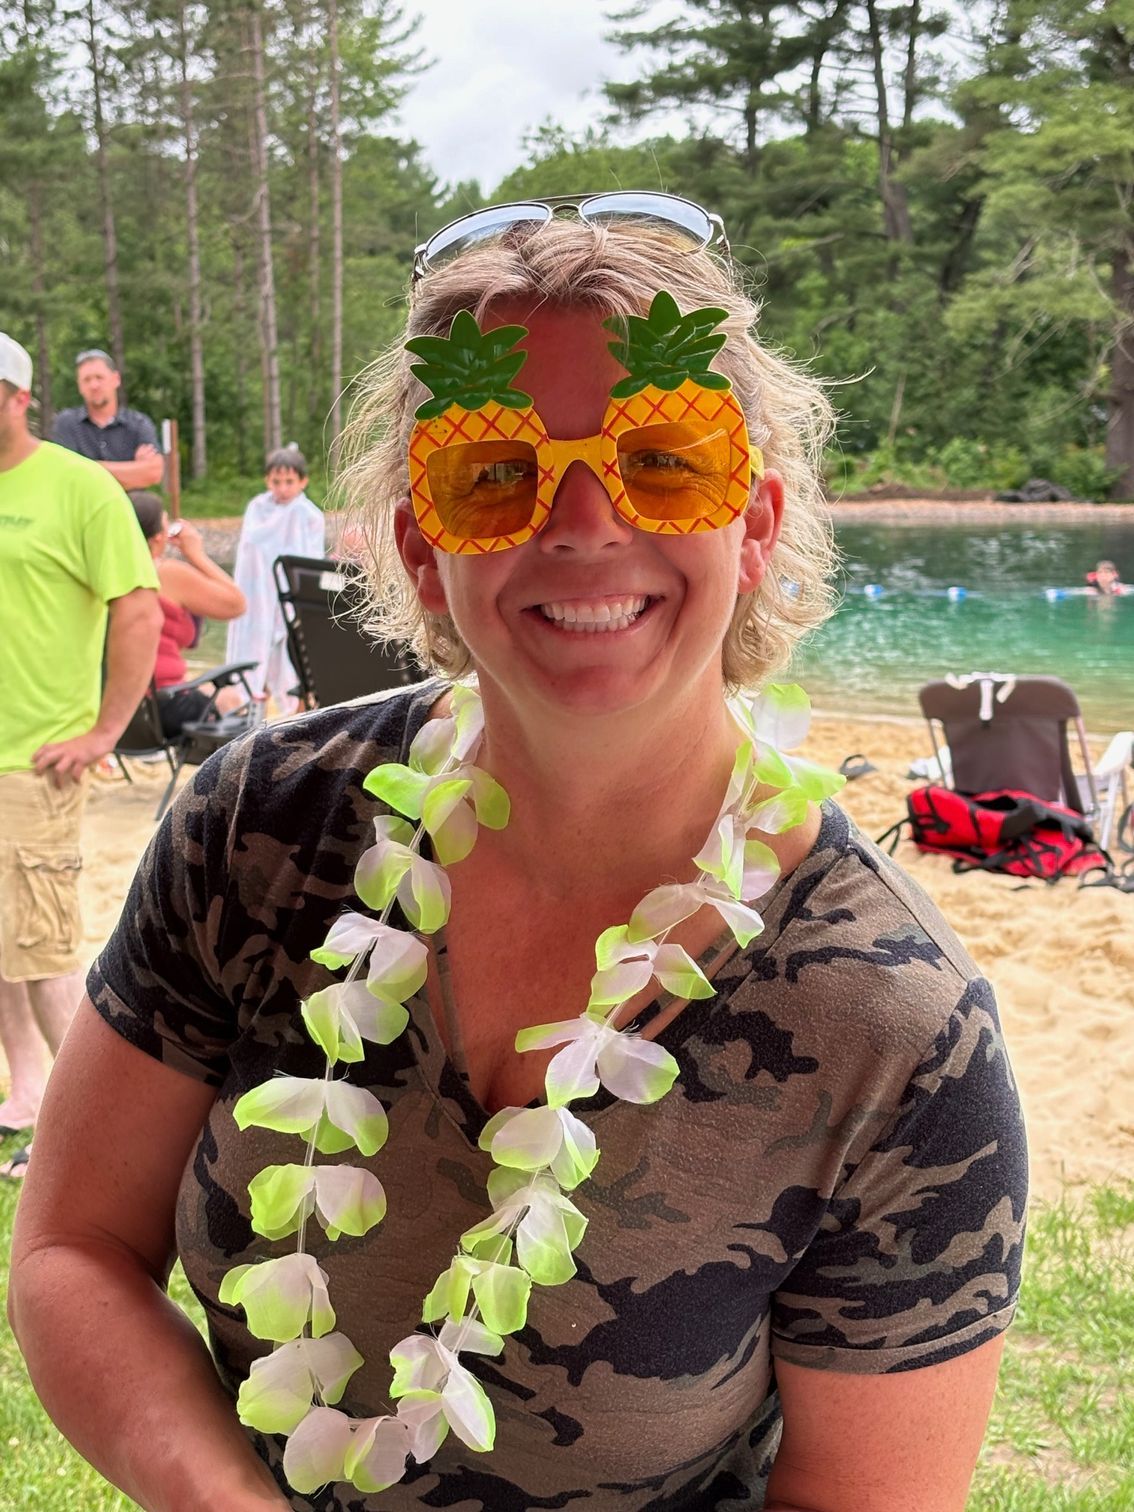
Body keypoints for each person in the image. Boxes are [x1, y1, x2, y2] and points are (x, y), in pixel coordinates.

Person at [8, 202, 1026, 1510]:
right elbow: (76, 1248)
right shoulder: (257, 829)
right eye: (495, 471)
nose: (584, 521)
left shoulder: (890, 1021)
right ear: (425, 553)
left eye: (663, 461)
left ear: (755, 526)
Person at [0, 332, 160, 1181]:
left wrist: (104, 733)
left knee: (46, 951)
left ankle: (88, 1137)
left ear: (21, 398)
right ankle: (27, 1093)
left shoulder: (77, 487)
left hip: (34, 760)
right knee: (4, 946)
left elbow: (137, 606)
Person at [128, 491, 248, 735]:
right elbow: (236, 604)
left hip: (116, 709)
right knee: (231, 698)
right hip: (160, 708)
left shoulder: (102, 574)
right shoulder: (164, 574)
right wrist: (196, 554)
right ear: (158, 539)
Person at [225, 446, 325, 710]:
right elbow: (250, 551)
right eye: (276, 481)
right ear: (267, 480)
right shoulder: (257, 508)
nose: (282, 488)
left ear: (303, 481)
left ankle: (292, 709)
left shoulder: (310, 515)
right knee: (254, 650)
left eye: (289, 481)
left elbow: (310, 558)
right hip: (257, 592)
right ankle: (247, 702)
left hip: (288, 594)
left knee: (290, 657)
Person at [52, 348, 164, 490]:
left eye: (99, 377)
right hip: (83, 506)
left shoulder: (138, 424)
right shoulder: (67, 423)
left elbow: (153, 473)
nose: (94, 385)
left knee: (149, 506)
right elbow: (66, 474)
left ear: (116, 379)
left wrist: (88, 467)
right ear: (79, 386)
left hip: (130, 506)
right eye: (87, 380)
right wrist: (133, 471)